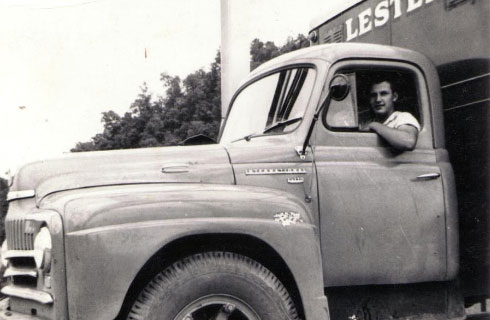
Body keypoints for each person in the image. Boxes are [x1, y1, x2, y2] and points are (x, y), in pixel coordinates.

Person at [366, 79, 420, 151]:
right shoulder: (367, 123)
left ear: (394, 97)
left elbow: (408, 142)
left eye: (383, 94)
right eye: (373, 95)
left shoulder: (403, 117)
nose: (378, 99)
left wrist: (374, 125)